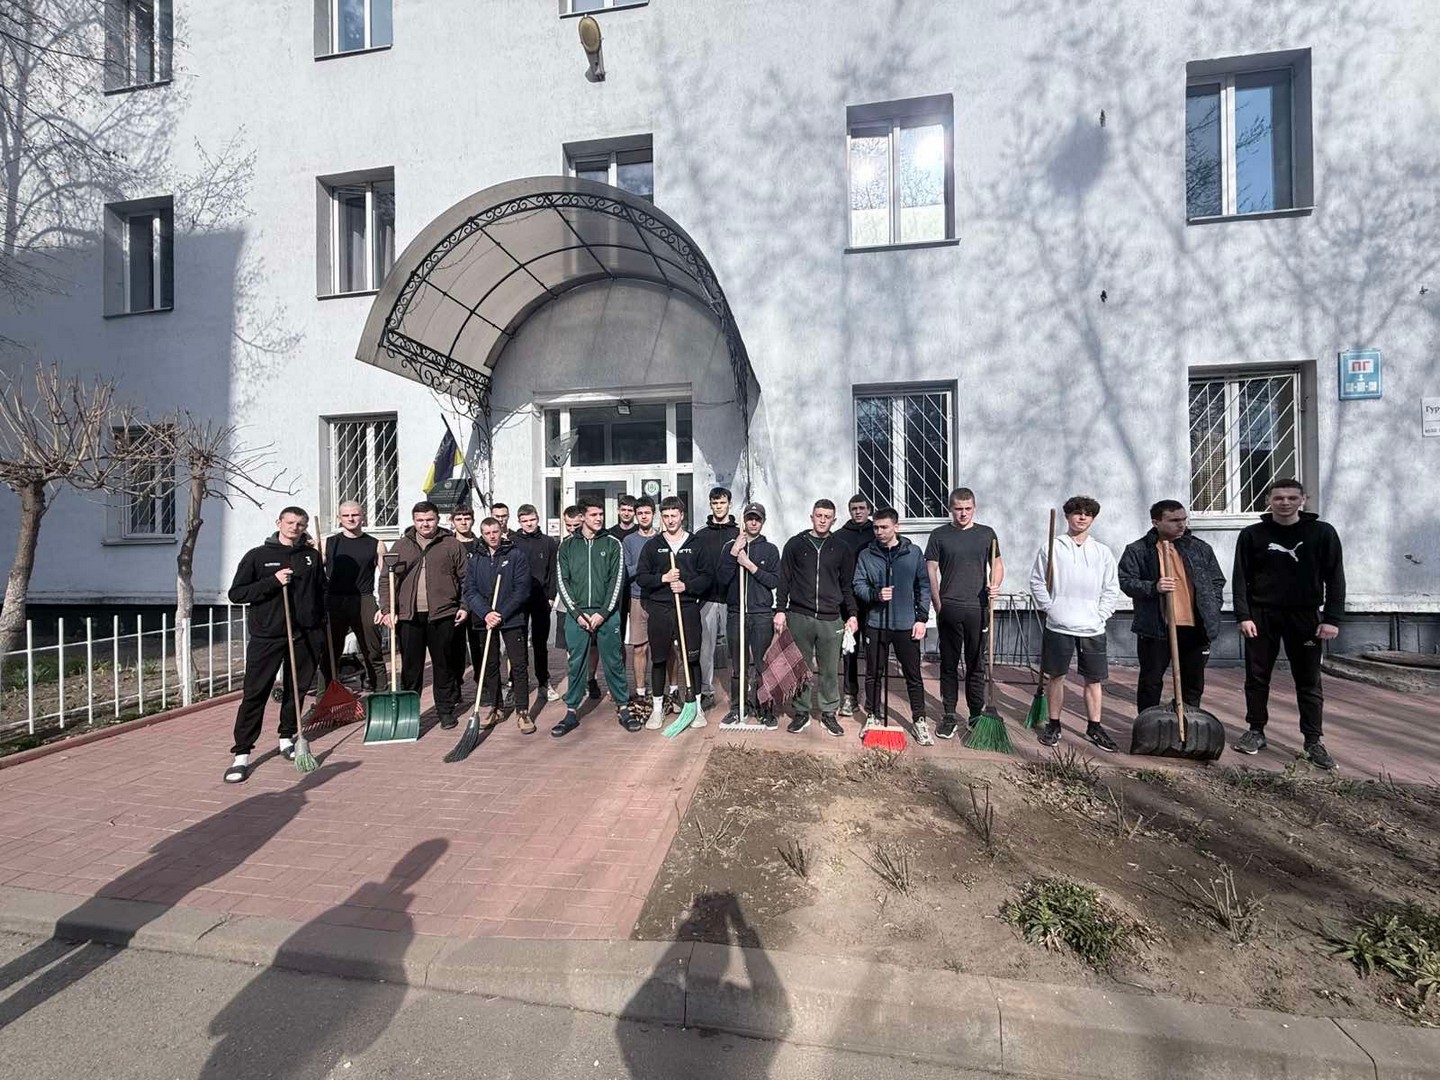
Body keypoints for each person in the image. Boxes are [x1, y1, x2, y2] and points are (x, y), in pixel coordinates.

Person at [1231, 479, 1345, 770]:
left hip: (1305, 617)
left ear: (1303, 500)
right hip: (1261, 615)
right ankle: (1256, 731)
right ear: (1268, 500)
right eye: (1279, 497)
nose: (1285, 502)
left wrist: (1332, 619)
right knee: (1257, 678)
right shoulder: (1252, 535)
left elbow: (1335, 577)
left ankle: (1313, 741)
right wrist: (1243, 616)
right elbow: (1240, 578)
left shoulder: (1322, 533)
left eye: (1292, 497)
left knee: (1309, 680)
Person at [223, 507, 327, 783]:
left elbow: (320, 591)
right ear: (279, 522)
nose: (295, 527)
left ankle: (286, 738)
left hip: (304, 635)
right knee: (255, 693)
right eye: (290, 522)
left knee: (297, 689)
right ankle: (242, 753)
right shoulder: (258, 556)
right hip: (267, 636)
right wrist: (272, 581)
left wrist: (318, 625)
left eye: (300, 524)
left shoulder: (311, 556)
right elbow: (237, 593)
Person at [1029, 495, 1121, 752]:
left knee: (1094, 679)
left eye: (1087, 514)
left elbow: (1111, 587)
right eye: (1077, 513)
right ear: (1067, 516)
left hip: (1092, 627)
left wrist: (1101, 614)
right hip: (1059, 625)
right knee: (1056, 676)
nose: (1082, 517)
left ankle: (1094, 726)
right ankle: (1054, 724)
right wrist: (1051, 608)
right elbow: (1037, 581)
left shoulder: (1102, 552)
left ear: (1093, 519)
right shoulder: (1052, 547)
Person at [1118, 499, 1225, 714]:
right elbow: (1126, 582)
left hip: (1194, 626)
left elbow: (1217, 580)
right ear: (1156, 522)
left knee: (1193, 682)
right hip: (1156, 628)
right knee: (1151, 681)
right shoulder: (1139, 550)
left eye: (1184, 519)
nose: (1181, 524)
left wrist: (1212, 606)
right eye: (1174, 520)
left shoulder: (1199, 548)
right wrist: (1153, 587)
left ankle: (1189, 722)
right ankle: (1148, 724)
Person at [377, 501, 469, 731]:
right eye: (420, 520)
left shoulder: (451, 544)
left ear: (438, 519)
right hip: (409, 617)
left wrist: (464, 605)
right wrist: (387, 609)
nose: (425, 524)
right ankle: (410, 714)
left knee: (444, 665)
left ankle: (445, 711)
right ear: (414, 521)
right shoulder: (401, 545)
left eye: (429, 519)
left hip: (443, 614)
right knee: (411, 668)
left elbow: (467, 578)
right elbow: (387, 579)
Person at [774, 499, 859, 737]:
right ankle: (801, 712)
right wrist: (780, 609)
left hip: (831, 618)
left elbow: (847, 585)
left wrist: (852, 614)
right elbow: (784, 580)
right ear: (811, 516)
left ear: (834, 520)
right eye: (819, 515)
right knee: (800, 667)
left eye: (827, 517)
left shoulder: (841, 548)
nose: (822, 520)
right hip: (799, 615)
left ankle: (829, 713)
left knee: (830, 669)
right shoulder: (795, 544)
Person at [925, 487, 1004, 739]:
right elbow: (930, 569)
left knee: (975, 665)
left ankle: (975, 714)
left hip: (978, 609)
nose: (963, 513)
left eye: (968, 509)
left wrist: (995, 584)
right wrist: (937, 602)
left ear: (974, 508)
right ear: (950, 509)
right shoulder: (939, 535)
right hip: (949, 608)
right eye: (958, 509)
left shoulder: (986, 534)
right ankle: (949, 715)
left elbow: (997, 564)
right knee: (948, 664)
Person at [853, 508, 933, 743]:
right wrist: (875, 595)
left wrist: (921, 618)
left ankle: (919, 720)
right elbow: (858, 584)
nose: (879, 532)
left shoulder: (913, 553)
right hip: (876, 624)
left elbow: (923, 586)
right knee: (873, 673)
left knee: (913, 674)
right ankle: (873, 715)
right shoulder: (866, 555)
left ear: (896, 527)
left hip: (906, 624)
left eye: (884, 527)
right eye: (876, 527)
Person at [555, 497, 633, 736]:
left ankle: (623, 708)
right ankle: (571, 711)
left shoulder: (612, 543)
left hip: (606, 614)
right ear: (581, 517)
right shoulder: (567, 546)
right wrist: (577, 614)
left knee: (614, 661)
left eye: (601, 514)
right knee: (576, 663)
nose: (599, 518)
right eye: (593, 515)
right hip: (577, 615)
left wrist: (603, 613)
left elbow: (617, 581)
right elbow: (562, 582)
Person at [636, 496, 711, 729]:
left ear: (682, 516)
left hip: (687, 608)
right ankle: (658, 709)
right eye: (666, 516)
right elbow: (641, 577)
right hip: (660, 609)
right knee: (659, 659)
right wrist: (663, 578)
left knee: (691, 658)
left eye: (674, 516)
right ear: (661, 517)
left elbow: (707, 577)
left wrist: (686, 586)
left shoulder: (696, 544)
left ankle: (696, 707)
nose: (670, 520)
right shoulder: (653, 545)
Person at [464, 517, 534, 732]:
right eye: (487, 533)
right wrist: (486, 613)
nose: (492, 536)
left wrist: (501, 614)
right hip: (485, 620)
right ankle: (496, 707)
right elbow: (470, 590)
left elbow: (522, 589)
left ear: (501, 531)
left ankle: (523, 710)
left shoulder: (515, 555)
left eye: (495, 531)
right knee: (490, 665)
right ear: (482, 534)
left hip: (511, 618)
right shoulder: (476, 558)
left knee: (519, 665)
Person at [715, 502, 781, 728]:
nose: (753, 522)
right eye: (750, 518)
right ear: (743, 520)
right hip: (736, 613)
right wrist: (734, 553)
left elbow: (774, 581)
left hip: (761, 614)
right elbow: (722, 579)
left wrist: (750, 565)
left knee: (763, 665)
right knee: (738, 665)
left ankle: (765, 709)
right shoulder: (730, 547)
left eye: (757, 519)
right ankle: (738, 707)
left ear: (763, 522)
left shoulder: (770, 549)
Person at [319, 500, 387, 692]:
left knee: (372, 650)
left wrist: (385, 606)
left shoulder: (376, 544)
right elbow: (313, 574)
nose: (351, 518)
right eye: (346, 515)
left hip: (364, 599)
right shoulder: (327, 543)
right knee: (330, 652)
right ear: (339, 518)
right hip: (334, 601)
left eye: (355, 514)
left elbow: (386, 577)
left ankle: (380, 693)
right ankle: (324, 699)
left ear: (362, 516)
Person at [693, 486, 739, 712]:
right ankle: (706, 691)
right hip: (708, 598)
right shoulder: (700, 535)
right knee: (706, 648)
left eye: (722, 502)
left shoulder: (739, 533)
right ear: (710, 505)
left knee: (737, 647)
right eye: (715, 503)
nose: (719, 507)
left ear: (729, 504)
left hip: (733, 599)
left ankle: (739, 693)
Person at [511, 503, 560, 704]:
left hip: (541, 599)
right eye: (524, 521)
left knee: (540, 644)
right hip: (518, 601)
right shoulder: (512, 542)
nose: (529, 524)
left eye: (532, 519)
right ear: (519, 522)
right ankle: (516, 685)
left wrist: (551, 596)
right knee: (518, 644)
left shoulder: (548, 542)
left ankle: (543, 682)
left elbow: (553, 571)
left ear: (538, 519)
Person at [835, 494, 876, 717]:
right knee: (849, 650)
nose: (858, 512)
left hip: (873, 601)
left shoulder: (876, 532)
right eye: (854, 508)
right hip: (848, 602)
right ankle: (850, 695)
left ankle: (872, 699)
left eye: (862, 508)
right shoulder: (840, 536)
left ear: (869, 509)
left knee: (873, 652)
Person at [622, 496, 660, 707]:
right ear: (636, 516)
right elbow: (627, 571)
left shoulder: (662, 538)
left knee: (663, 648)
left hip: (660, 598)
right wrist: (645, 565)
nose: (644, 517)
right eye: (640, 513)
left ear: (653, 514)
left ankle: (667, 690)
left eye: (647, 513)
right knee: (639, 648)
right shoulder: (629, 541)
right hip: (637, 597)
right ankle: (640, 691)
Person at [448, 505, 488, 689]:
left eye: (467, 518)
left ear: (473, 520)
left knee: (479, 645)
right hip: (455, 602)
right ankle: (456, 686)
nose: (463, 523)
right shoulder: (447, 544)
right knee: (455, 648)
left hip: (478, 602)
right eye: (459, 519)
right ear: (452, 521)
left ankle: (483, 684)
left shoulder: (481, 545)